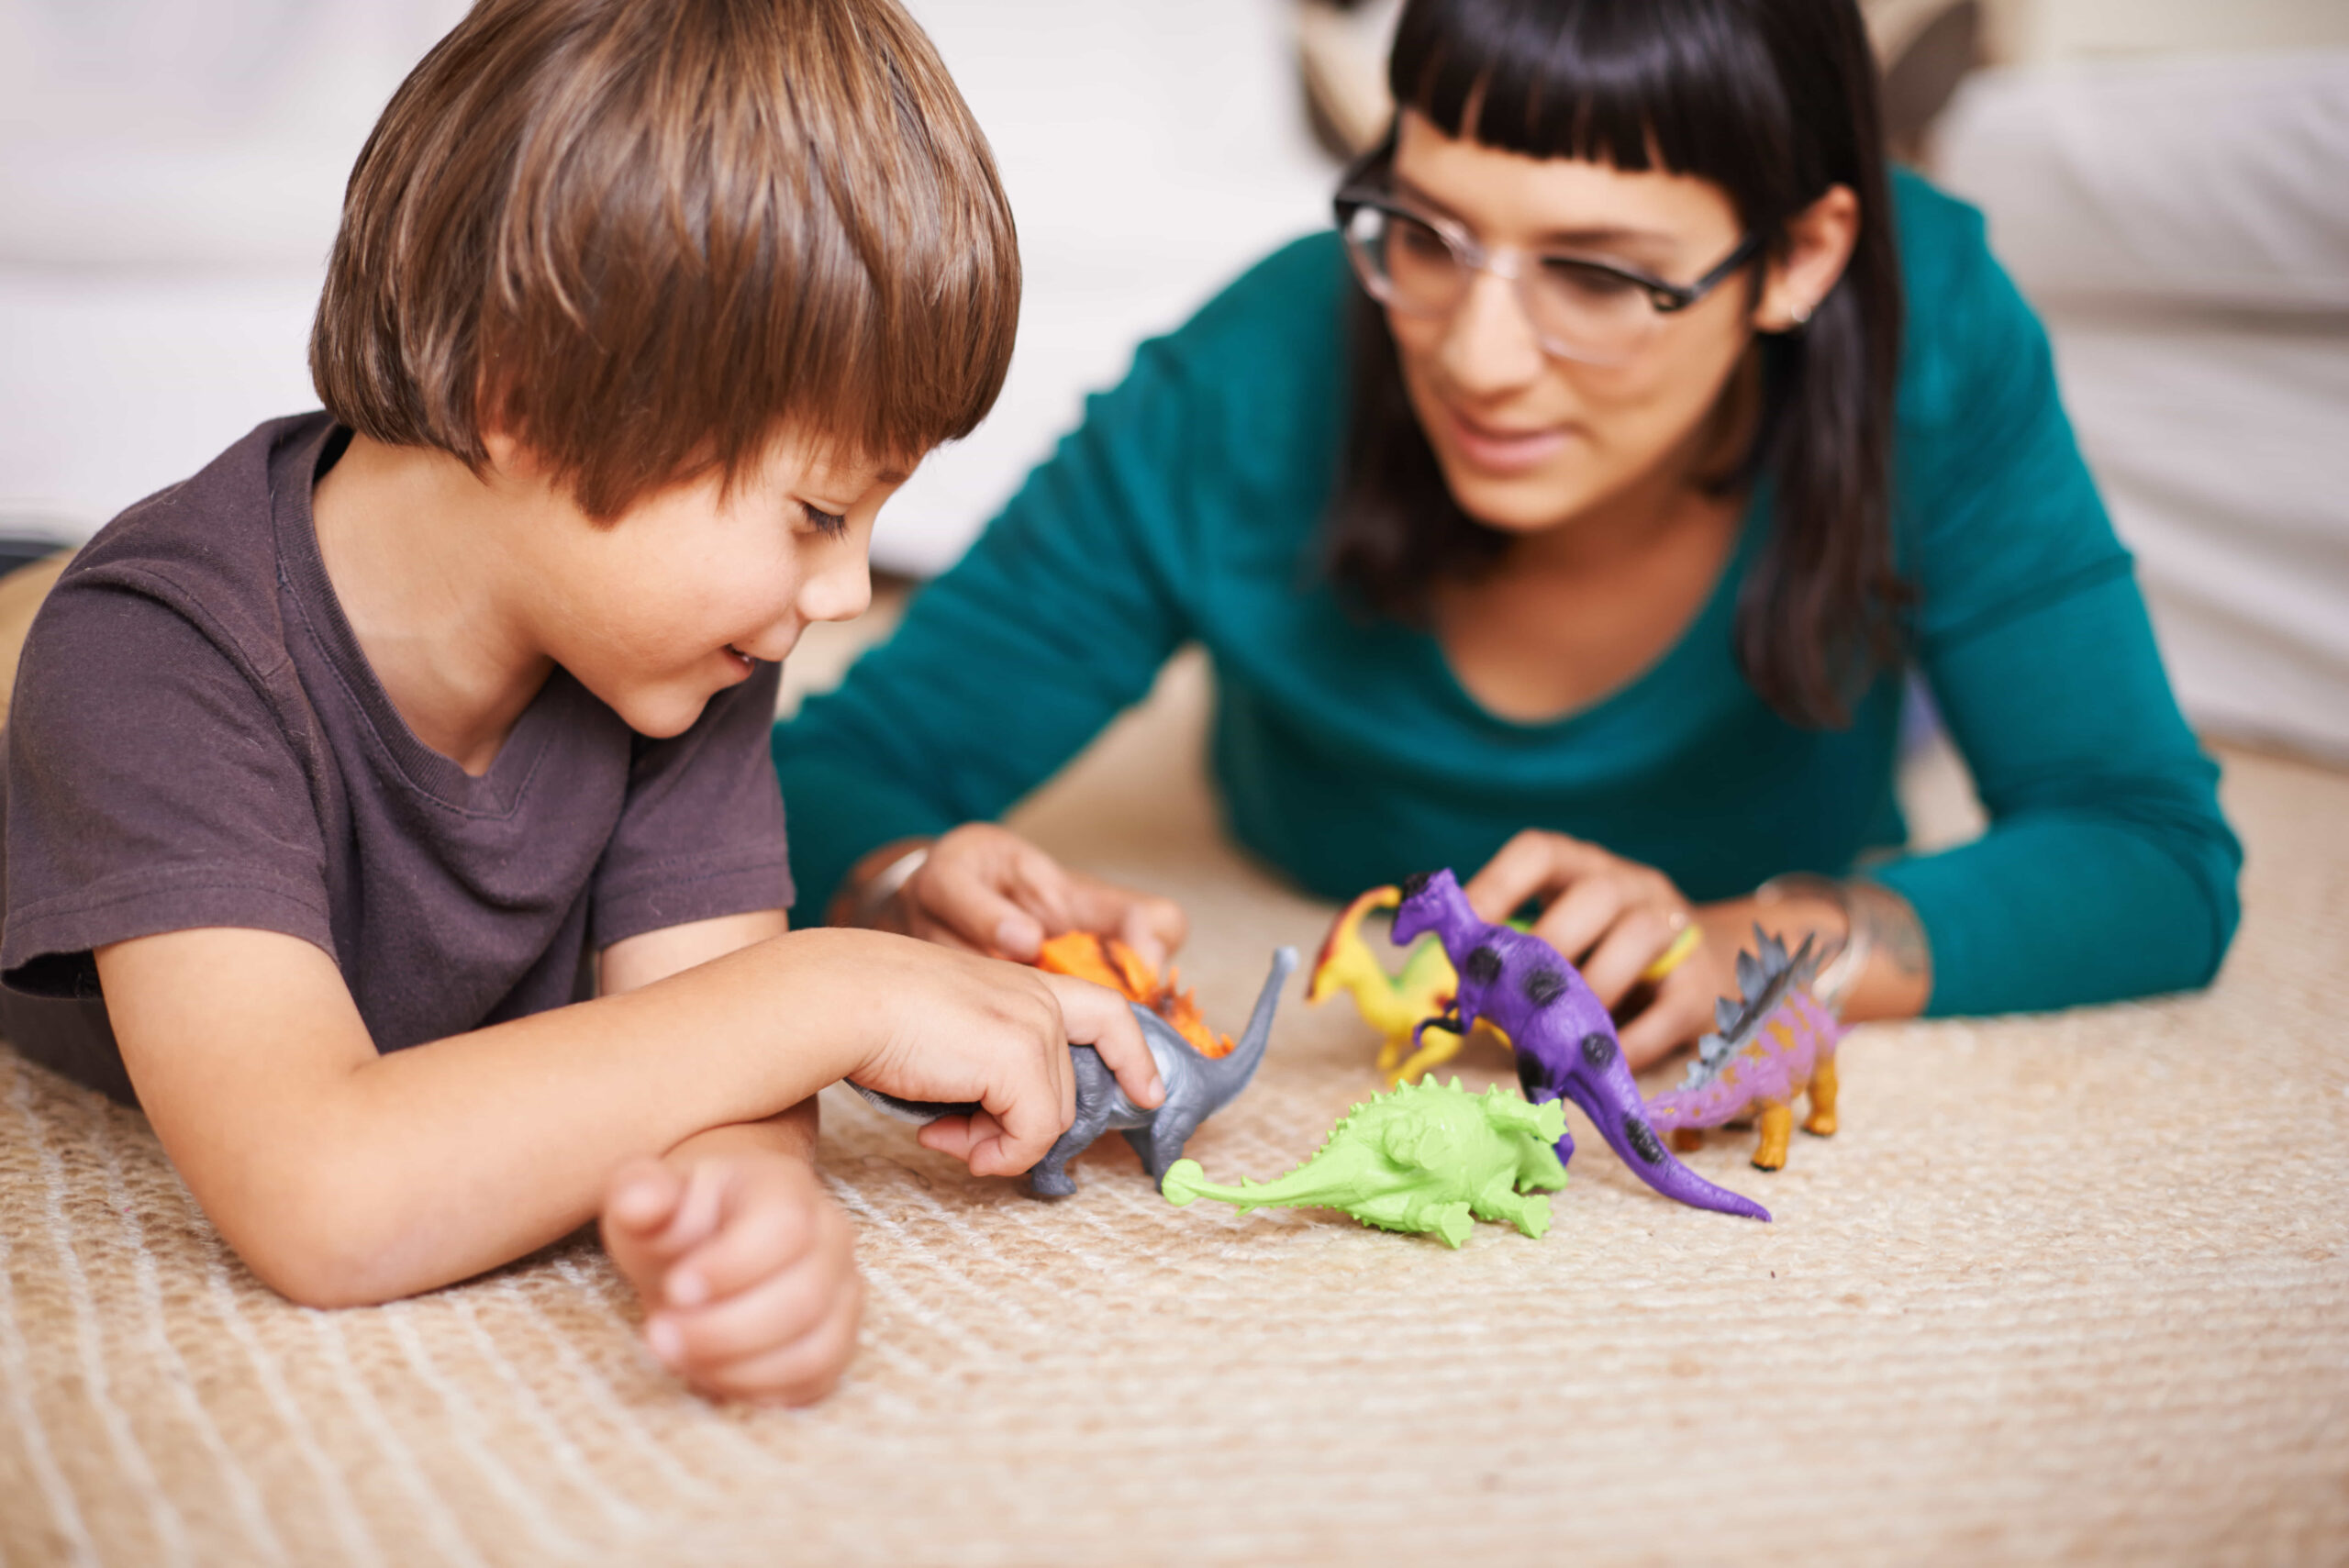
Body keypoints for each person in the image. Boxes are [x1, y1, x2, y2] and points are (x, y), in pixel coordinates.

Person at [0, 0, 1163, 1407]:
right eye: (813, 509)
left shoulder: (671, 656)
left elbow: (703, 1040)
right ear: (528, 395)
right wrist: (836, 980)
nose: (850, 589)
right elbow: (322, 1192)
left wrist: (752, 1208)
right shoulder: (159, 658)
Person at [775, 0, 2241, 1066]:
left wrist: (1754, 936)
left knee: (1928, 683)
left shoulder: (1932, 328)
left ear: (1799, 257)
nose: (1476, 357)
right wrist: (904, 878)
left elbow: (2149, 852)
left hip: (1813, 729)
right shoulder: (1254, 375)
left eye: (1599, 275)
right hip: (1295, 823)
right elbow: (827, 768)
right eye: (1425, 231)